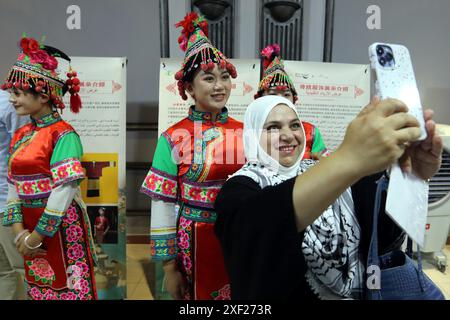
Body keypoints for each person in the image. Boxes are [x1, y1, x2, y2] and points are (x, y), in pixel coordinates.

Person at [214, 95, 443, 299]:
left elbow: (383, 236)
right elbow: (257, 231)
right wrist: (349, 158)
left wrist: (409, 178)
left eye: (295, 125)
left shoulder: (323, 172)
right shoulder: (239, 188)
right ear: (252, 134)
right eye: (273, 127)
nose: (288, 135)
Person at [140, 12, 244, 300]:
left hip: (240, 236)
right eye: (209, 78)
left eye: (224, 77)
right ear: (188, 87)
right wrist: (168, 267)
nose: (219, 86)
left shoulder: (246, 131)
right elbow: (162, 203)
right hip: (195, 239)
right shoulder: (172, 137)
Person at [1, 36, 97, 300]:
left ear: (43, 95)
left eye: (18, 93)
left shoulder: (64, 135)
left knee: (70, 288)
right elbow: (12, 185)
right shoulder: (22, 135)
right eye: (12, 92)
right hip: (30, 226)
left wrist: (37, 235)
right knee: (40, 290)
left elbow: (64, 191)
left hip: (61, 227)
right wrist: (19, 231)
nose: (12, 99)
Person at [254, 44, 328, 159]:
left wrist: (320, 162)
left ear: (294, 100)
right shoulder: (251, 131)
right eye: (273, 94)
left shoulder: (310, 132)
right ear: (260, 100)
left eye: (286, 94)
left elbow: (325, 164)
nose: (280, 99)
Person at [0, 90, 29, 300]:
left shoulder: (8, 103)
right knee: (3, 272)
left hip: (6, 203)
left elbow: (26, 156)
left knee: (24, 270)